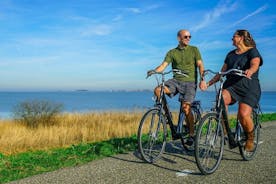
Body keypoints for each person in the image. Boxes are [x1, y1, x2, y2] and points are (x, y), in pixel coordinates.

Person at [203, 29, 263, 151]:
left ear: (241, 38)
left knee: (243, 115)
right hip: (232, 86)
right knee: (220, 99)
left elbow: (255, 63)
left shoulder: (252, 51)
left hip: (249, 86)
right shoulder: (230, 54)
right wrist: (208, 83)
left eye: (234, 37)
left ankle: (250, 138)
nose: (232, 39)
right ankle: (226, 133)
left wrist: (250, 71)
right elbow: (221, 72)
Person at [147, 29, 206, 146]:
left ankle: (192, 134)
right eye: (186, 37)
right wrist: (154, 71)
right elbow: (163, 65)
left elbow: (200, 65)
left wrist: (202, 79)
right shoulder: (172, 52)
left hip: (190, 83)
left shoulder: (194, 50)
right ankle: (166, 115)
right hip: (175, 81)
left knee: (186, 108)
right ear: (179, 38)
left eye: (190, 36)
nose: (188, 38)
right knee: (158, 90)